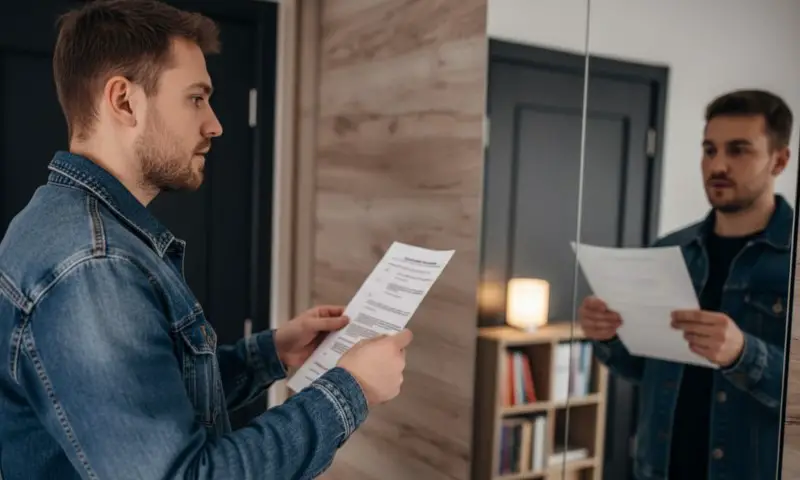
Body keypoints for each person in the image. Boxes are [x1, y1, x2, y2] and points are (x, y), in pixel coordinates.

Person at [0, 1, 413, 479]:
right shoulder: (93, 265)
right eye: (196, 97)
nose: (214, 123)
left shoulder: (63, 224)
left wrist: (272, 353)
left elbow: (149, 393)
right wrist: (354, 388)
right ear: (124, 101)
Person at [579, 89, 794, 480]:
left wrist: (744, 353)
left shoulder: (793, 261)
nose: (718, 165)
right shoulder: (669, 250)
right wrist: (609, 336)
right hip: (658, 470)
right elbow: (644, 369)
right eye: (709, 150)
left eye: (738, 150)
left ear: (779, 160)